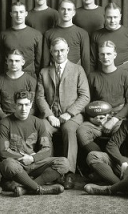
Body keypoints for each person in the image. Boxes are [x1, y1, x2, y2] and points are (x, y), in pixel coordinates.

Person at [36, 37, 90, 189]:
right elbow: (39, 97)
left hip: (72, 116)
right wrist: (49, 115)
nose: (59, 54)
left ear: (67, 51)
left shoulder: (78, 70)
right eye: (55, 51)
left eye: (62, 50)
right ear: (51, 53)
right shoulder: (44, 72)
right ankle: (51, 168)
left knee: (69, 130)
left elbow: (85, 96)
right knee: (43, 128)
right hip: (52, 115)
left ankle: (69, 172)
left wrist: (69, 113)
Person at [0, 90, 69, 196]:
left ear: (31, 105)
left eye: (26, 104)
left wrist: (33, 158)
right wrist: (22, 158)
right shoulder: (4, 123)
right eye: (20, 105)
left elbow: (47, 149)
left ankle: (25, 187)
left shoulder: (38, 122)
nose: (23, 109)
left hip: (34, 162)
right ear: (14, 105)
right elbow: (3, 151)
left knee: (64, 163)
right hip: (17, 164)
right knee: (7, 164)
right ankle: (38, 189)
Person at [77, 40, 128, 156]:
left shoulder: (125, 75)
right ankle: (101, 158)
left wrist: (114, 120)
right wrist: (93, 118)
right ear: (98, 56)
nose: (105, 57)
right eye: (102, 54)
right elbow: (87, 101)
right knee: (81, 131)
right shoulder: (92, 76)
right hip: (98, 117)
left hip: (117, 118)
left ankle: (115, 161)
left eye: (108, 54)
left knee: (123, 132)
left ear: (115, 55)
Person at [91, 3, 128, 78]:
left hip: (125, 79)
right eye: (109, 17)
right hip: (102, 78)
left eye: (115, 17)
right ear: (104, 17)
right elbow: (92, 62)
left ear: (120, 17)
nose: (112, 20)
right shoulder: (96, 35)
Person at [42, 0, 90, 74]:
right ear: (58, 11)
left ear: (73, 13)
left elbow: (85, 60)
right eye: (63, 9)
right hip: (54, 73)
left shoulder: (82, 33)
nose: (66, 12)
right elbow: (45, 61)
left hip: (75, 74)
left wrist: (85, 79)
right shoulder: (48, 33)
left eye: (69, 9)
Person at [0, 2, 42, 77]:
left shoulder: (36, 34)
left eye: (21, 12)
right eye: (15, 12)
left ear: (26, 13)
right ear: (11, 14)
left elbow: (39, 59)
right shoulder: (4, 34)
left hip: (29, 75)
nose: (18, 15)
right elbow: (1, 59)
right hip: (9, 76)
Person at [0, 49, 37, 123]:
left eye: (17, 61)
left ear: (23, 62)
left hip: (24, 118)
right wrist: (5, 118)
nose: (13, 63)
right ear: (7, 61)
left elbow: (33, 106)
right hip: (4, 118)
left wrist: (22, 117)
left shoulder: (31, 81)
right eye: (11, 60)